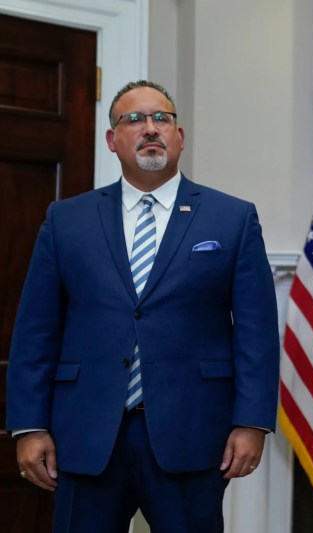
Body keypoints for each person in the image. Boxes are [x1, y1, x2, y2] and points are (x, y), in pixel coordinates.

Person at [6, 80, 280, 532]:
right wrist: (29, 426)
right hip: (86, 434)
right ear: (112, 140)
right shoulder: (66, 220)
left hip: (193, 432)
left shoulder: (232, 218)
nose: (150, 128)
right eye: (133, 119)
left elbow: (257, 333)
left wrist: (252, 422)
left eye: (162, 118)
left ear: (179, 136)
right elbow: (36, 330)